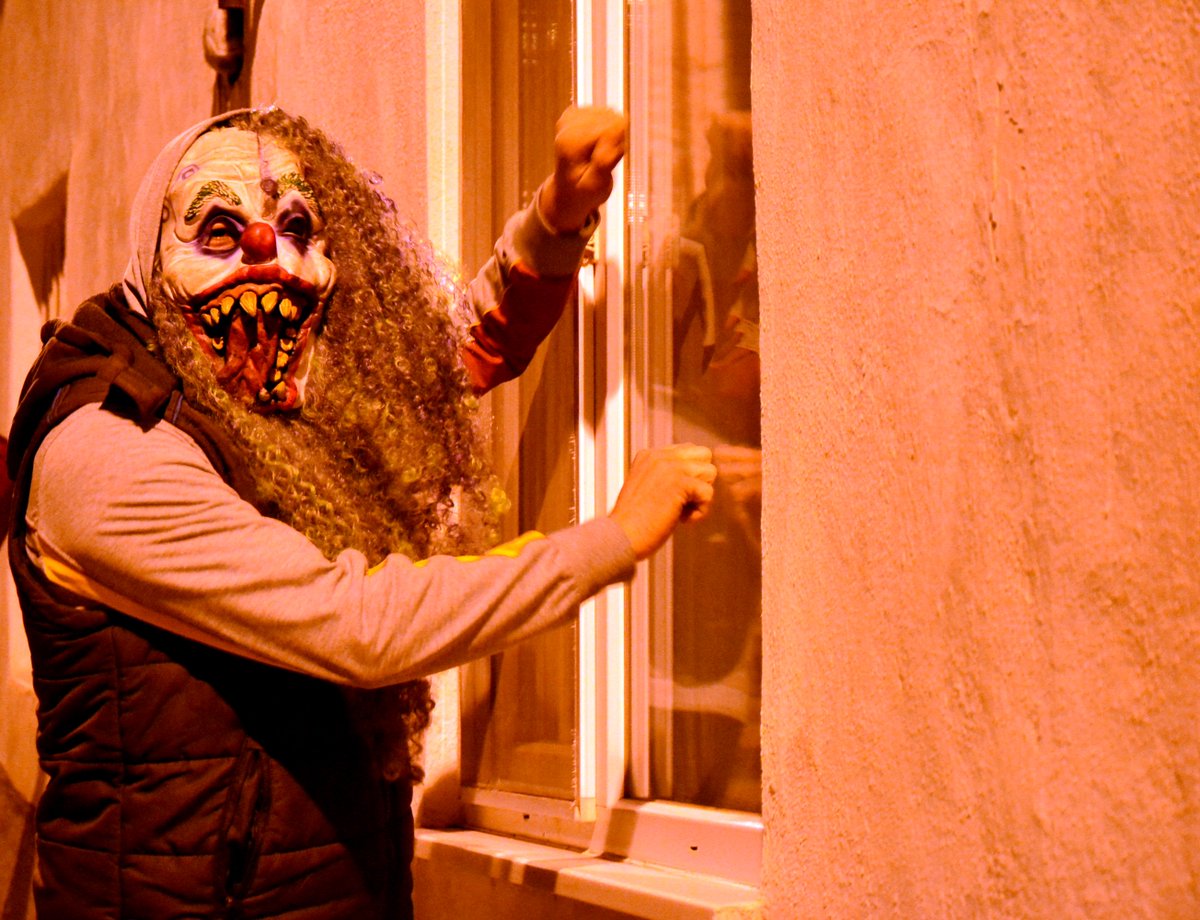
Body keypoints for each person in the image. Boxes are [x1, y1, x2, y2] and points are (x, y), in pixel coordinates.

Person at [5, 106, 715, 920]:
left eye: (298, 227)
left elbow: (435, 365)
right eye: (219, 231)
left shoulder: (251, 399)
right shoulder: (110, 448)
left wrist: (555, 221)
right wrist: (612, 539)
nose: (272, 257)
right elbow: (358, 624)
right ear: (151, 255)